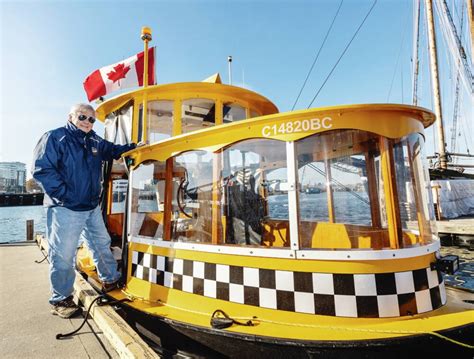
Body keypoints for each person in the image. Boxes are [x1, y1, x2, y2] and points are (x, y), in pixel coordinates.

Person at [32, 103, 136, 318]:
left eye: (91, 119)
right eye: (82, 117)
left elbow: (113, 150)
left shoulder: (95, 140)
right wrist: (65, 195)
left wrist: (136, 146)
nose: (87, 122)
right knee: (63, 254)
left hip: (91, 206)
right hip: (65, 207)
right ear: (71, 116)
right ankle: (60, 298)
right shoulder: (54, 137)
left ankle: (109, 279)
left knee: (101, 242)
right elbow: (42, 170)